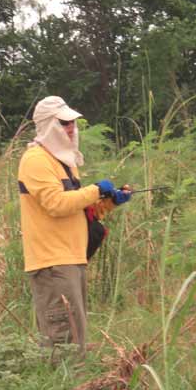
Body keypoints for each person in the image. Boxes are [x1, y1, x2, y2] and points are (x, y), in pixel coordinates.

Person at [17, 95, 131, 353]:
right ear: (48, 125)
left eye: (72, 123)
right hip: (52, 262)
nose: (71, 128)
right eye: (64, 122)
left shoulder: (63, 163)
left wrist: (111, 201)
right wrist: (94, 190)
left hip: (71, 257)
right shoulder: (36, 160)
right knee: (63, 340)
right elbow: (56, 204)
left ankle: (71, 389)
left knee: (75, 335)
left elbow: (75, 210)